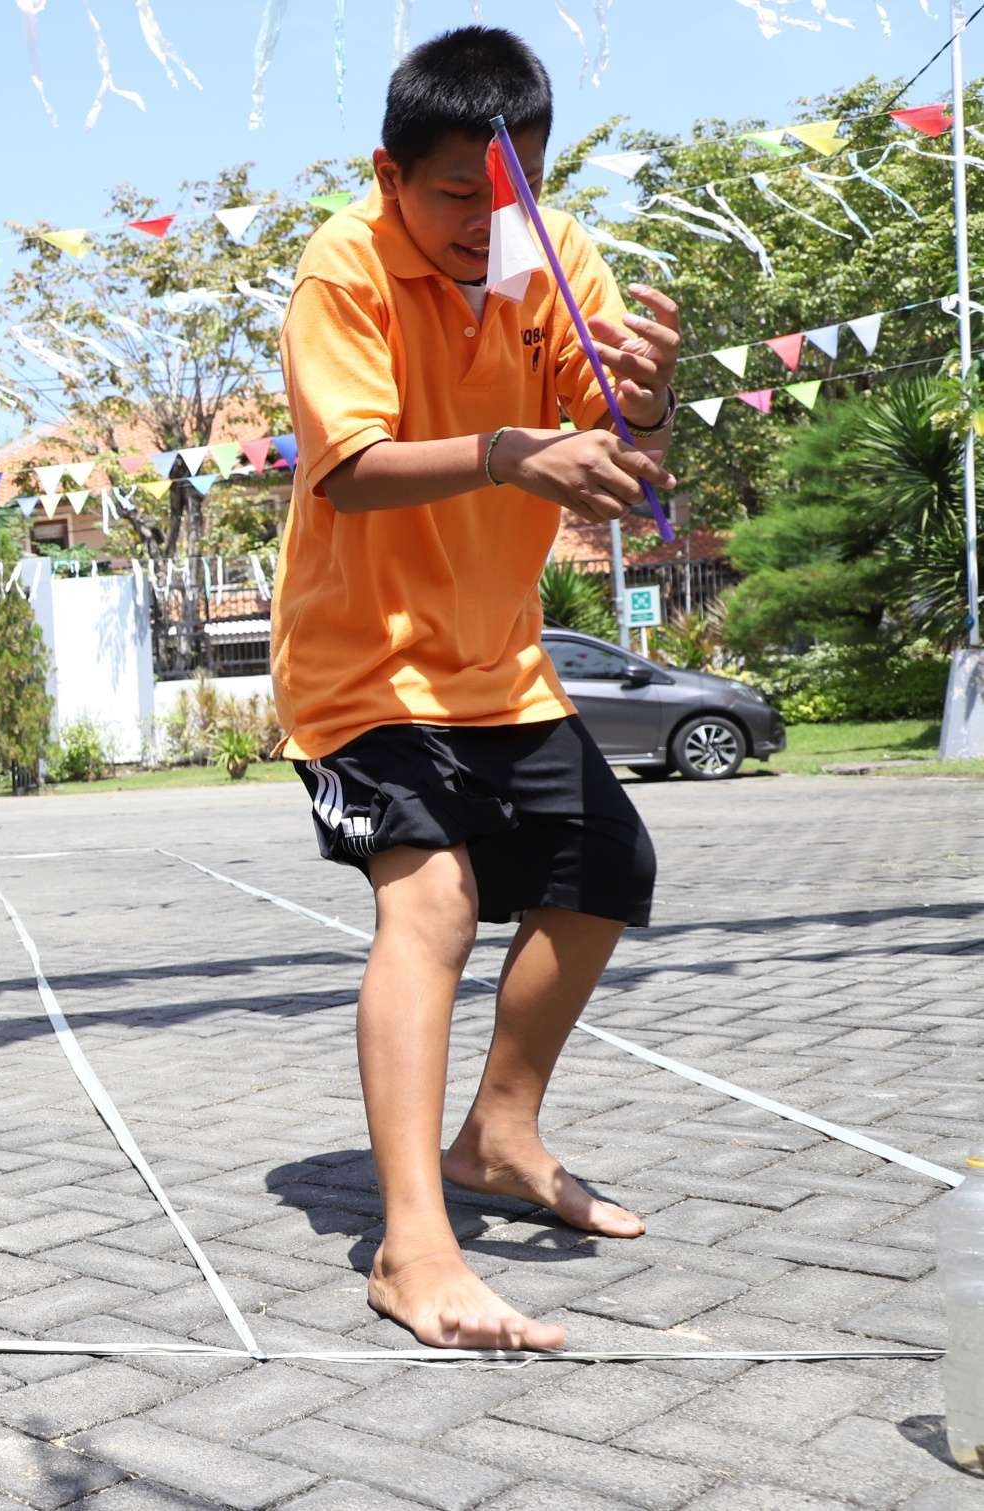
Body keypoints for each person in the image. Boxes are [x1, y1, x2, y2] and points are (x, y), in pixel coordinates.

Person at [271, 27, 679, 1354]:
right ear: (388, 172)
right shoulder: (344, 261)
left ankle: (497, 1134)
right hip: (359, 661)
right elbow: (351, 463)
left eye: (509, 190)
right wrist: (512, 450)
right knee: (432, 895)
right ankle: (411, 1244)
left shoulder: (545, 255)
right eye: (454, 192)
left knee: (605, 867)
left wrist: (646, 401)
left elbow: (611, 437)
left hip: (500, 660)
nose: (484, 221)